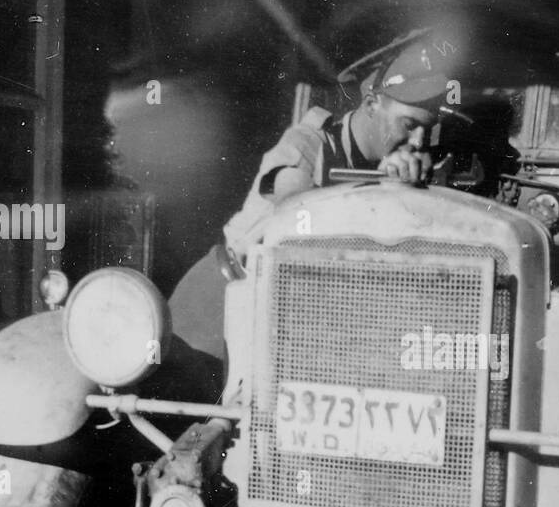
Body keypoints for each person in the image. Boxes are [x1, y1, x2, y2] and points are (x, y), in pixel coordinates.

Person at [169, 29, 456, 362]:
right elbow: (296, 213)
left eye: (428, 127)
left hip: (291, 313)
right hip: (221, 306)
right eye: (409, 125)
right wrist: (380, 185)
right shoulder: (305, 144)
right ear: (372, 105)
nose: (419, 141)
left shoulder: (389, 162)